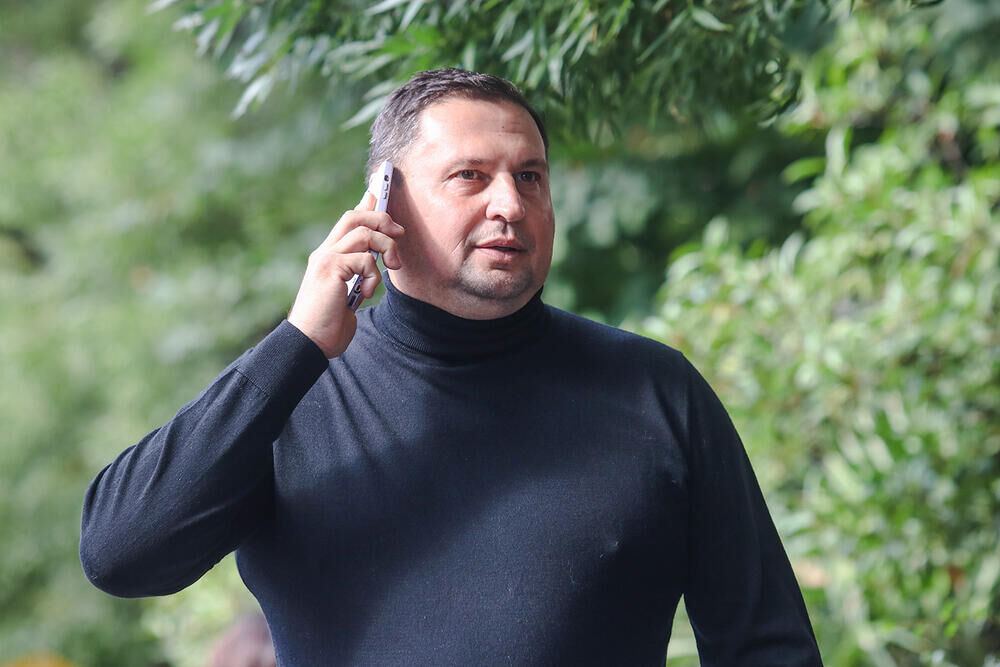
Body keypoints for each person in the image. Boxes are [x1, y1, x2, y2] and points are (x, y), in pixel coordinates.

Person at [80, 68, 822, 665]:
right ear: (383, 205)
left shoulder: (655, 391)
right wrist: (297, 342)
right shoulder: (291, 398)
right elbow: (121, 555)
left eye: (530, 177)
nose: (511, 204)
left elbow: (768, 646)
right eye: (470, 176)